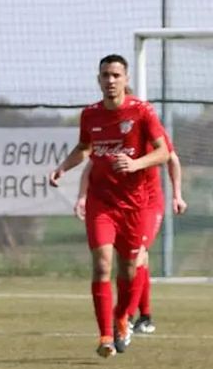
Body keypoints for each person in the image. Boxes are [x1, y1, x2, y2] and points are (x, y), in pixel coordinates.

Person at [49, 54, 170, 358]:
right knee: (102, 263)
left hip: (134, 204)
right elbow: (84, 148)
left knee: (129, 269)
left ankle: (121, 318)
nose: (110, 80)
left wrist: (135, 163)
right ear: (98, 79)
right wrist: (63, 167)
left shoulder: (142, 112)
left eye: (116, 75)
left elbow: (164, 153)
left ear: (126, 79)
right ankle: (105, 336)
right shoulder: (90, 114)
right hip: (101, 203)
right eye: (105, 75)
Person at [74, 122, 187, 335]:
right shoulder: (111, 132)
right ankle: (143, 315)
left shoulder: (150, 127)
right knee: (127, 260)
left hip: (149, 204)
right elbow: (92, 164)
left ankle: (128, 316)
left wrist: (177, 194)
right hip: (124, 203)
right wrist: (82, 195)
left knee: (139, 256)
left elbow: (171, 158)